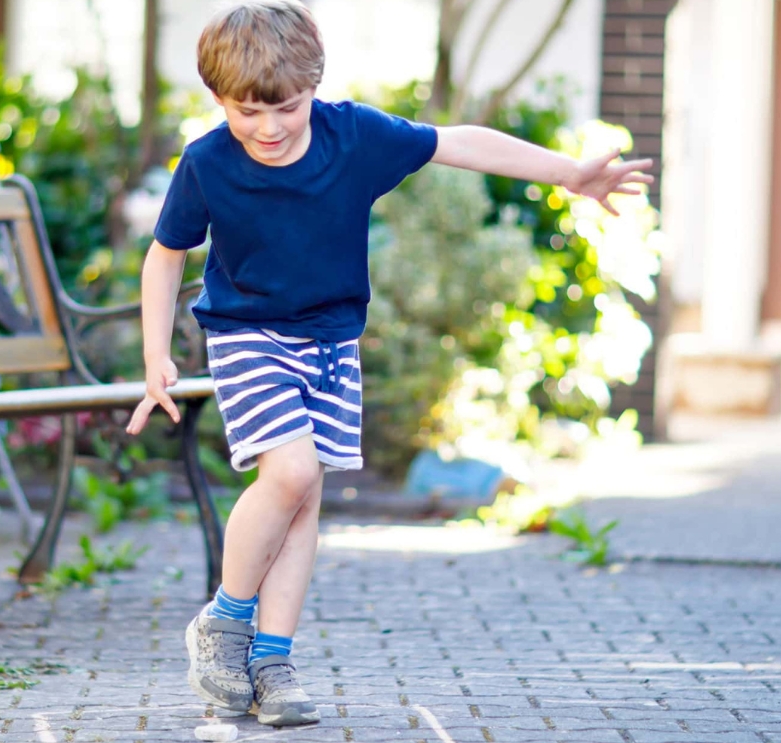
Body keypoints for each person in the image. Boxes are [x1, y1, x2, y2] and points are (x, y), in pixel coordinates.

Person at [125, 0, 652, 728]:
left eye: (286, 107)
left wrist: (567, 173)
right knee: (290, 471)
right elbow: (165, 254)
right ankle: (224, 619)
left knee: (304, 500)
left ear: (312, 86)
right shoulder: (208, 162)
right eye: (247, 112)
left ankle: (271, 659)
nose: (269, 128)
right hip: (248, 336)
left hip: (331, 344)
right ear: (218, 101)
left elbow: (459, 142)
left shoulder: (353, 137)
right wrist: (155, 353)